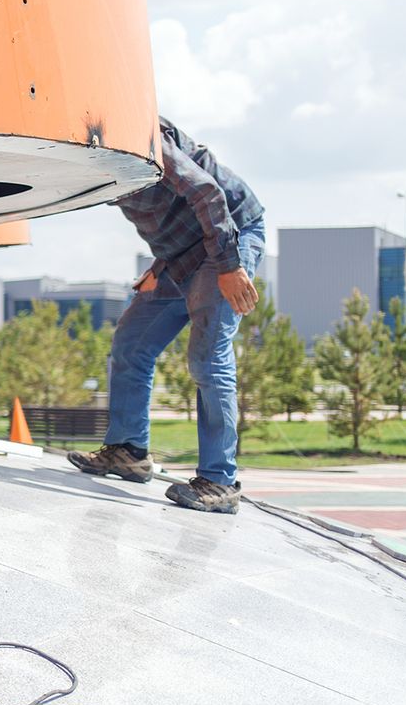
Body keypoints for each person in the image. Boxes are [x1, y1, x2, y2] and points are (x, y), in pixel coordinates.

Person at [69, 116, 265, 514]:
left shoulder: (136, 132)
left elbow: (208, 195)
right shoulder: (89, 154)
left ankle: (220, 481)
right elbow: (165, 212)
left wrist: (228, 266)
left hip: (230, 236)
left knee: (207, 356)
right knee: (131, 342)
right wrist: (160, 267)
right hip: (178, 256)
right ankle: (128, 451)